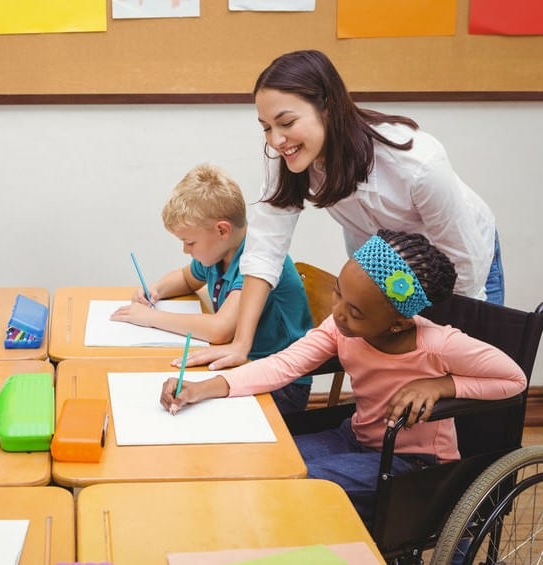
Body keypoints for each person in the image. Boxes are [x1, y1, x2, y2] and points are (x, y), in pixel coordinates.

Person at [160, 230, 526, 526]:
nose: (338, 314)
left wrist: (441, 385)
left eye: (355, 311)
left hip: (413, 463)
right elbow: (284, 364)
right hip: (354, 436)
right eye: (338, 294)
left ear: (398, 321)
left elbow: (514, 379)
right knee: (263, 462)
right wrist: (202, 389)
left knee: (296, 481)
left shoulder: (438, 344)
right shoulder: (339, 328)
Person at [179, 49, 504, 372]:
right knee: (396, 375)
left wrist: (453, 347)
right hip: (385, 268)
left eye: (287, 122)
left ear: (329, 109)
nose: (276, 140)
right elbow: (264, 250)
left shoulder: (417, 165)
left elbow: (465, 268)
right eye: (265, 127)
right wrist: (241, 344)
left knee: (457, 376)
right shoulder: (292, 158)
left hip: (459, 263)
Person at [111, 163, 313, 415]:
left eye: (190, 242)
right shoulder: (218, 254)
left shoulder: (257, 260)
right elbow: (186, 278)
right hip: (241, 367)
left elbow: (220, 330)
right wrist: (156, 290)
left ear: (221, 230)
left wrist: (151, 318)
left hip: (283, 383)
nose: (186, 250)